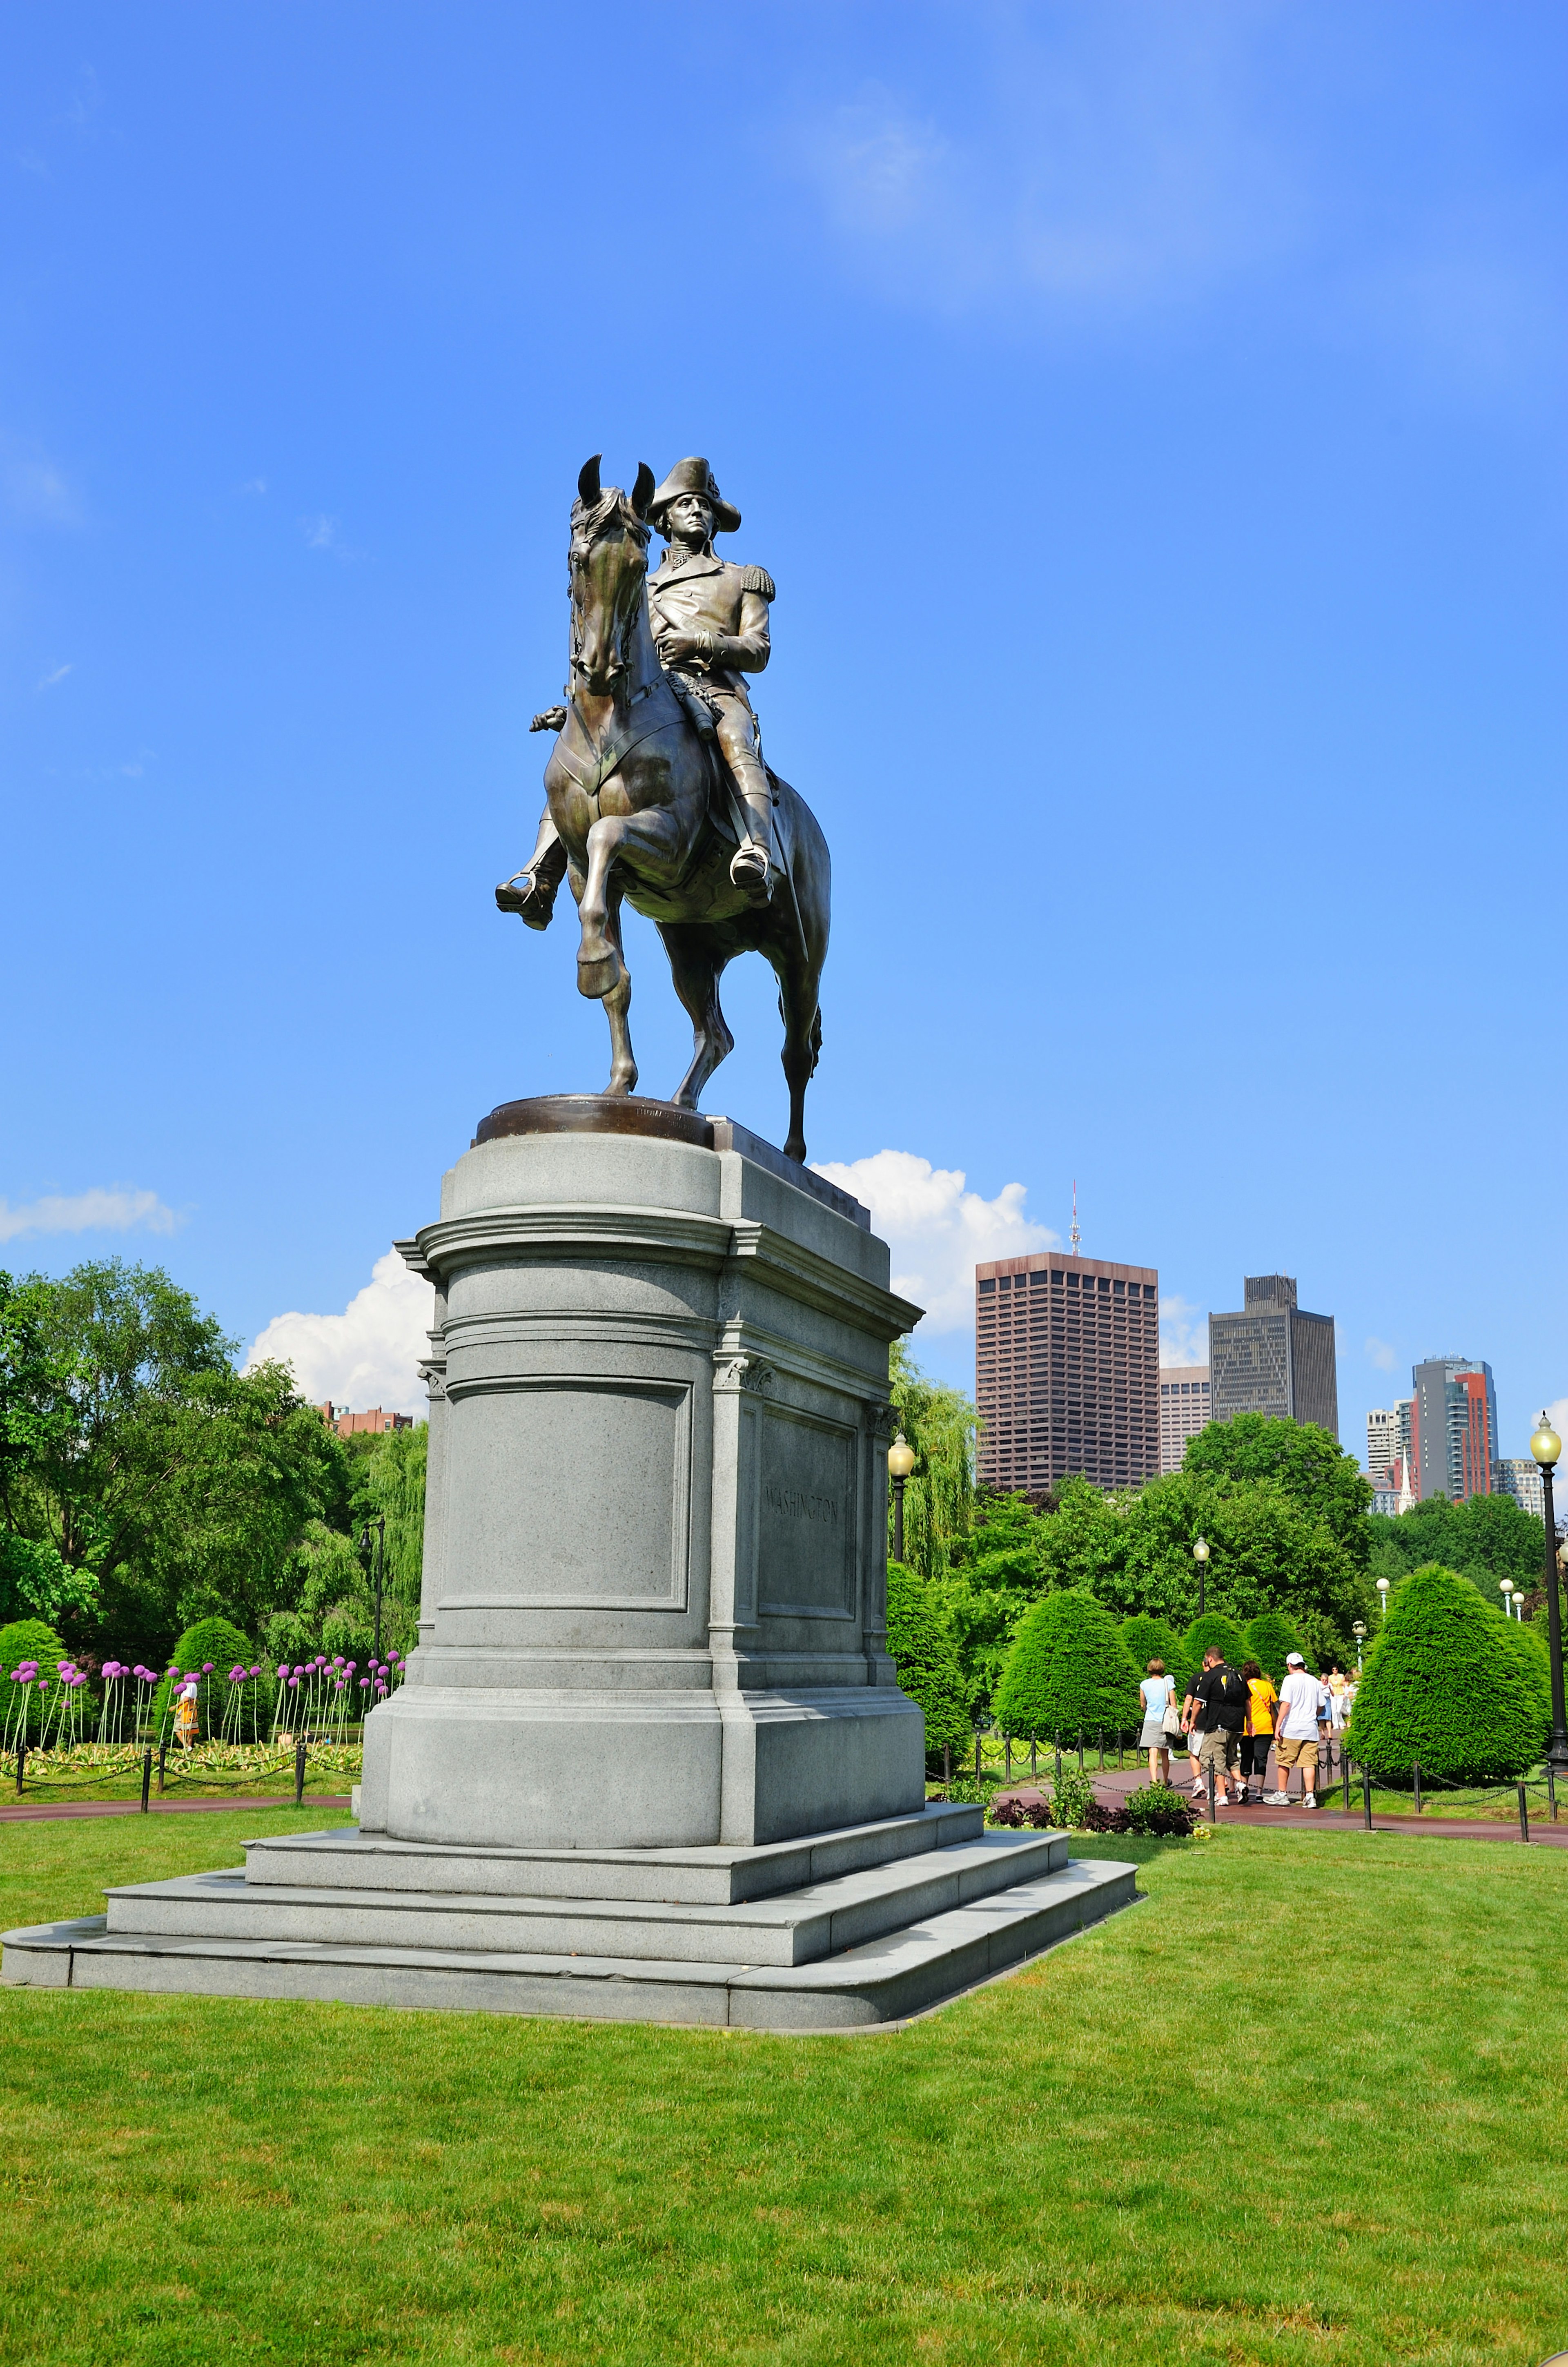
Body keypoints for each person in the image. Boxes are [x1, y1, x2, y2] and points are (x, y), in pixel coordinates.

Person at [1191, 1646, 1248, 1807]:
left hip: (1218, 1724)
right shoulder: (1238, 1674)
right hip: (1237, 1724)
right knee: (1231, 1757)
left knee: (1213, 1759)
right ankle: (1240, 1784)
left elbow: (1198, 1702)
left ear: (1209, 1658)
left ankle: (1222, 1796)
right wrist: (1249, 1722)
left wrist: (1192, 1720)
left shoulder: (1211, 1675)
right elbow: (1247, 1701)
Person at [1268, 1651, 1325, 1807]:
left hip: (1292, 1728)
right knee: (1308, 1763)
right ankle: (1310, 1796)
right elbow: (1321, 1705)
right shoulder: (1314, 1681)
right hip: (1310, 1729)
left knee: (1284, 1761)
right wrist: (1313, 1715)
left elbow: (1285, 1704)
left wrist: (1278, 1725)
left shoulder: (1289, 1680)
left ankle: (1282, 1793)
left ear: (1289, 1665)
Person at [1239, 1658, 1277, 1803]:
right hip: (1265, 1726)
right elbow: (1274, 1706)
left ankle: (1244, 1788)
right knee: (1261, 1759)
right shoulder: (1267, 1686)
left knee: (1246, 1758)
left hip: (1246, 1727)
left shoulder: (1244, 1686)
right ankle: (1260, 1792)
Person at [1138, 1659, 1177, 1785]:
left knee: (1152, 1752)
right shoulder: (1168, 1684)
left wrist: (1147, 1710)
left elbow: (1143, 1703)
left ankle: (1154, 1781)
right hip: (1165, 1720)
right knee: (1165, 1753)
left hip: (1150, 1720)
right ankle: (1165, 1781)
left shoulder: (1144, 1684)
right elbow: (1174, 1704)